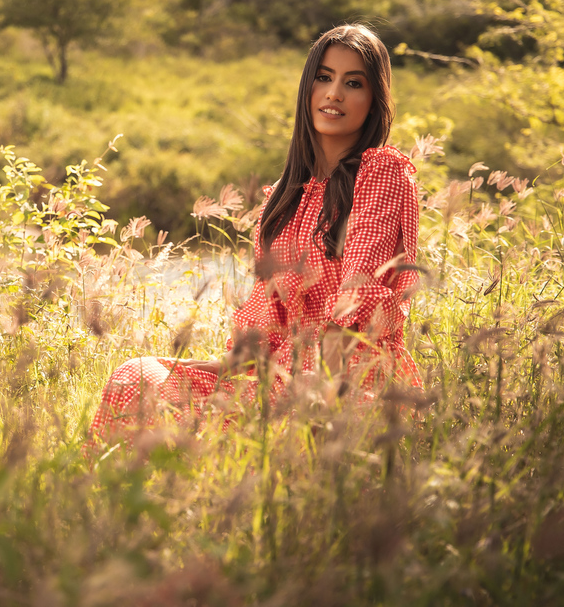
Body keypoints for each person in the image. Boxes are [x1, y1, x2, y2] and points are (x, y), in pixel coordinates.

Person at [88, 25, 423, 442]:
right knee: (137, 376)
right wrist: (215, 367)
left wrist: (321, 388)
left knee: (260, 428)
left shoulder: (382, 172)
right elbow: (269, 328)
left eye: (352, 83)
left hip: (348, 377)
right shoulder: (284, 199)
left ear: (374, 102)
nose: (334, 92)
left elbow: (357, 298)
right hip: (276, 375)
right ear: (307, 88)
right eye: (324, 77)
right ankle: (115, 497)